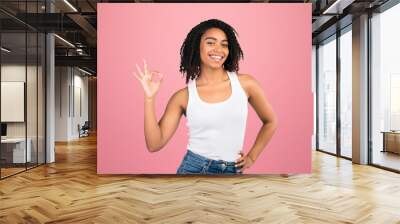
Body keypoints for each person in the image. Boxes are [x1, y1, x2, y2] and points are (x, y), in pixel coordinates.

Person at [134, 19, 278, 175]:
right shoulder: (183, 97)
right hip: (194, 168)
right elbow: (154, 144)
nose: (219, 49)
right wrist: (149, 98)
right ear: (197, 47)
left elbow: (271, 122)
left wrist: (251, 157)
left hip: (233, 170)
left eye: (224, 44)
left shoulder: (246, 84)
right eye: (211, 43)